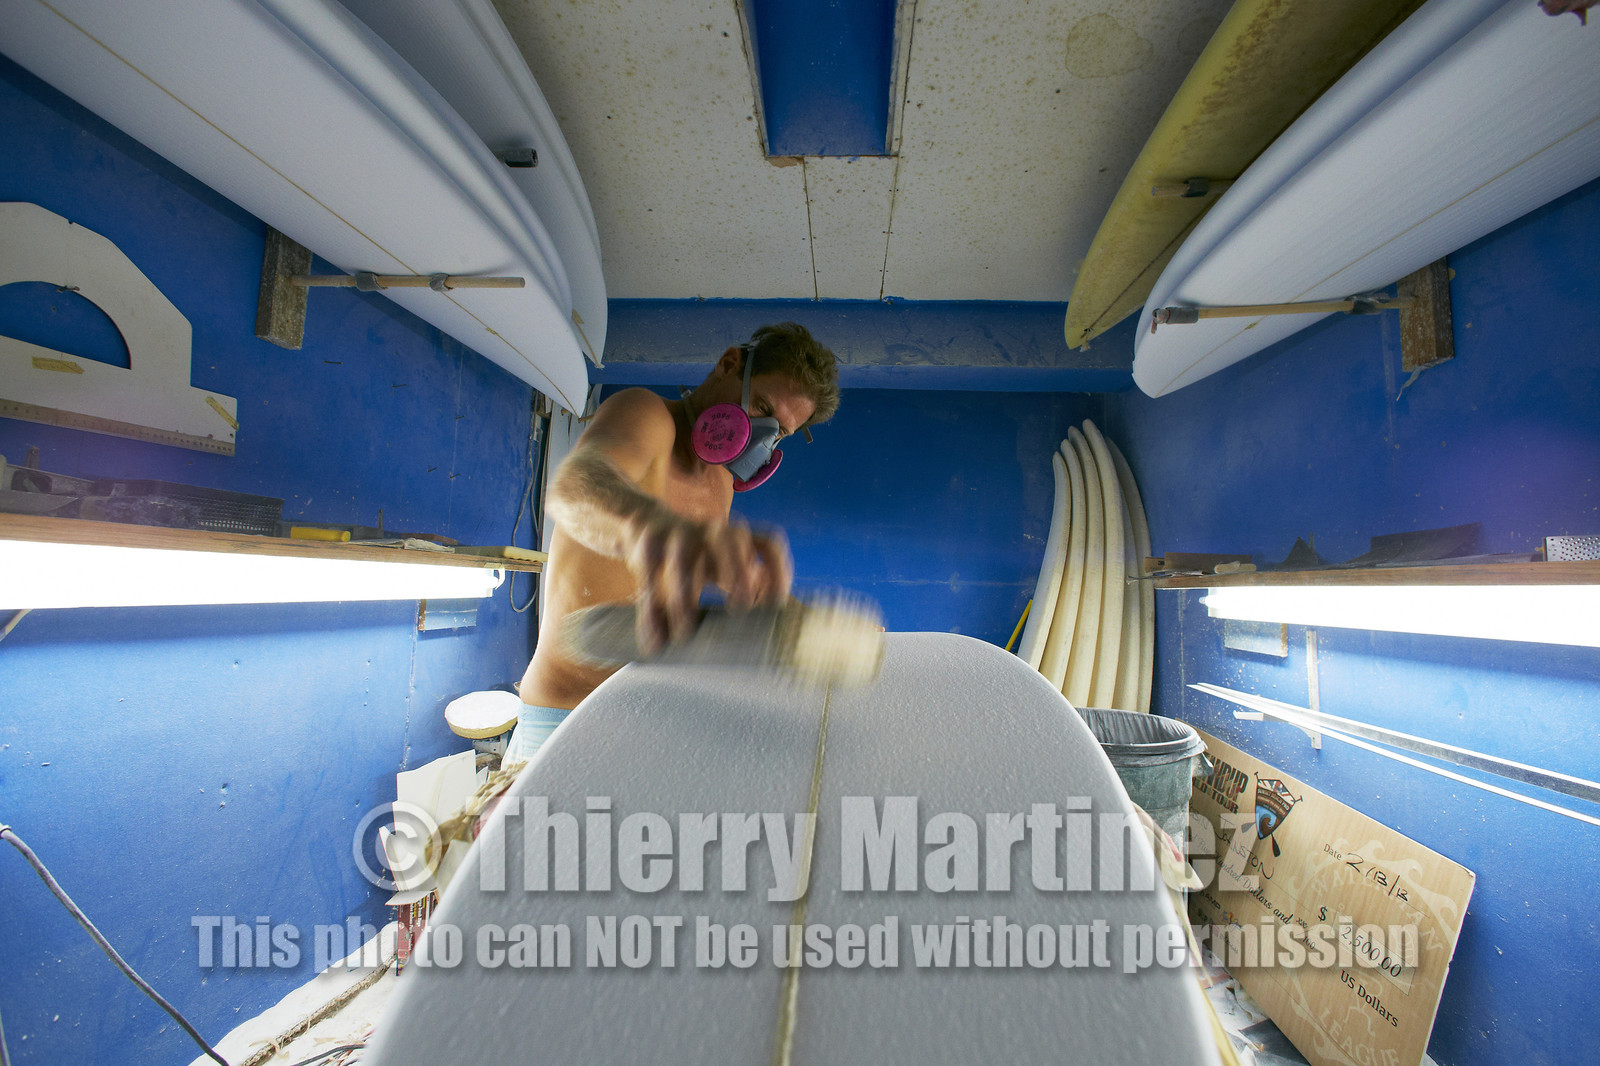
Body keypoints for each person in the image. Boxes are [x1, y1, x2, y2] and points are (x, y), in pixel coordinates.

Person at [507, 322, 840, 760]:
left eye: (779, 432)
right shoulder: (647, 416)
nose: (763, 434)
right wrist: (648, 526)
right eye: (761, 406)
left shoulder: (720, 485)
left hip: (641, 721)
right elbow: (576, 487)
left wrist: (794, 621)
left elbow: (709, 576)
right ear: (728, 365)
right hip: (559, 718)